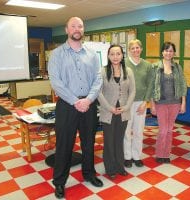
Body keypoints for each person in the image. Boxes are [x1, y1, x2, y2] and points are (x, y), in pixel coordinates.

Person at [48, 17, 103, 199]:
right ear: (66, 30)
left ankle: (89, 174)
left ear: (83, 29)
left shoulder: (92, 54)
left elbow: (98, 79)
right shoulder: (56, 54)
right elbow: (56, 82)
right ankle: (59, 182)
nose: (77, 29)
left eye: (80, 26)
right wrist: (75, 101)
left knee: (88, 143)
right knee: (64, 145)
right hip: (67, 105)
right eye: (73, 26)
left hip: (89, 104)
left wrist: (88, 100)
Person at [98, 44, 135, 179]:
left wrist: (126, 107)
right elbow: (99, 92)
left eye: (118, 54)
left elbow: (132, 91)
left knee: (119, 140)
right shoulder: (102, 71)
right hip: (108, 112)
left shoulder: (128, 71)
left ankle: (120, 166)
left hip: (123, 112)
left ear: (122, 55)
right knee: (109, 141)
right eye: (112, 54)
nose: (115, 57)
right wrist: (109, 108)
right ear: (108, 56)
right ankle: (110, 168)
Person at [150, 42, 187, 163]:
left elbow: (182, 85)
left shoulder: (177, 67)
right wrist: (152, 104)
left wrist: (183, 102)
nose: (168, 53)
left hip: (175, 103)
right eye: (166, 50)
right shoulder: (155, 67)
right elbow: (151, 87)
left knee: (170, 129)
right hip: (160, 102)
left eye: (171, 51)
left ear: (174, 53)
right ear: (162, 52)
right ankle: (160, 154)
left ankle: (166, 155)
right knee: (163, 130)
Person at [123, 39, 153, 168]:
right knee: (126, 131)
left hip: (141, 103)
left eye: (137, 48)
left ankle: (136, 156)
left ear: (141, 49)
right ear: (129, 50)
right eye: (133, 48)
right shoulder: (123, 63)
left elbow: (150, 85)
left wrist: (145, 103)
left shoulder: (147, 65)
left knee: (138, 131)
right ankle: (127, 157)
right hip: (126, 103)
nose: (135, 50)